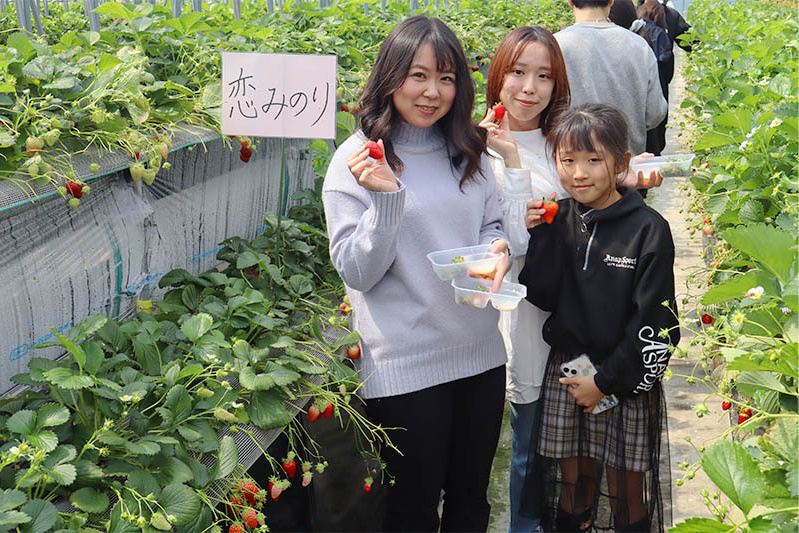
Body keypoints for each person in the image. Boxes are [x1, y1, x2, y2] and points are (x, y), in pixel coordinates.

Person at [322, 15, 511, 532]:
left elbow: (492, 220)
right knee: (413, 510)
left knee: (472, 501)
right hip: (406, 365)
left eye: (446, 78)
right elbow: (358, 272)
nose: (433, 92)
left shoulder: (467, 148)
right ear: (390, 77)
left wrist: (499, 248)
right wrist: (386, 201)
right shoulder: (359, 160)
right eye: (418, 76)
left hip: (480, 352)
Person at [518, 103, 680, 532]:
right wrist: (539, 237)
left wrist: (604, 383)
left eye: (594, 160)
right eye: (568, 160)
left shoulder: (648, 230)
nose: (579, 173)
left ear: (621, 163)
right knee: (574, 486)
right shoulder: (560, 218)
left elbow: (656, 325)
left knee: (626, 492)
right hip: (569, 374)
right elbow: (541, 293)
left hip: (622, 379)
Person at [477, 26, 571, 533]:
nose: (529, 88)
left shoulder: (564, 140)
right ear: (499, 75)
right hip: (515, 314)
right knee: (527, 444)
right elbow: (515, 240)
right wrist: (510, 157)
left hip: (570, 309)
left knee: (567, 438)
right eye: (518, 72)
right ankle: (525, 526)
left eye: (544, 76)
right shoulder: (474, 146)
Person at [555, 0, 667, 157]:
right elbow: (656, 113)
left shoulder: (555, 45)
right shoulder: (639, 45)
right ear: (611, 1)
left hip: (572, 169)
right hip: (627, 167)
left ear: (570, 2)